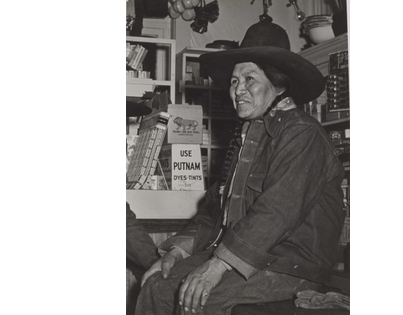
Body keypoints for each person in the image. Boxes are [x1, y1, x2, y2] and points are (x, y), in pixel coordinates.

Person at [135, 20, 346, 315]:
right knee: (156, 284)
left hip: (289, 265)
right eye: (235, 81)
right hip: (247, 256)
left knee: (192, 298)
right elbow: (214, 210)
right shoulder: (248, 136)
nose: (238, 90)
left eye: (250, 80)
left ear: (279, 85)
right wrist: (176, 252)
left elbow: (276, 212)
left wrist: (217, 266)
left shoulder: (302, 134)